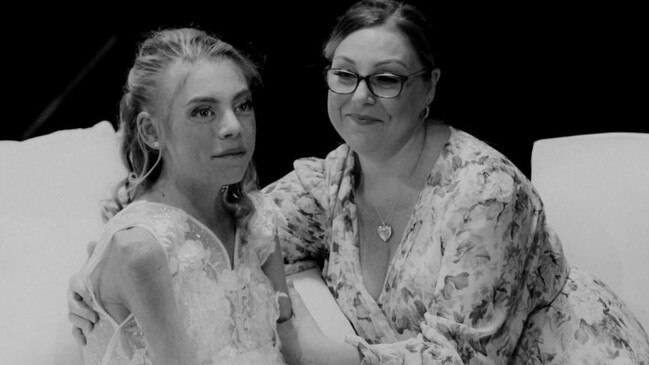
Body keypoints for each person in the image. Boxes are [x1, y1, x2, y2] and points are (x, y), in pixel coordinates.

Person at [70, 1, 649, 364]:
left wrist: (313, 349)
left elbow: (465, 361)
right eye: (344, 75)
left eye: (388, 79)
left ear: (429, 88)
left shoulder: (485, 194)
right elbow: (211, 219)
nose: (360, 96)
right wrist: (98, 274)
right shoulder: (333, 182)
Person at [69, 27, 297, 365]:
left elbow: (293, 348)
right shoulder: (139, 249)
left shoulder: (256, 217)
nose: (234, 126)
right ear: (151, 132)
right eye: (203, 111)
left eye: (243, 104)